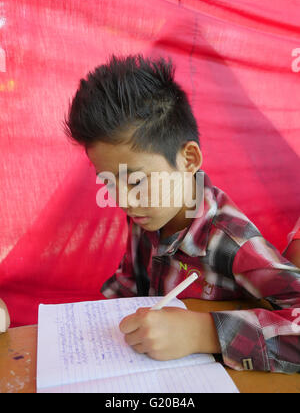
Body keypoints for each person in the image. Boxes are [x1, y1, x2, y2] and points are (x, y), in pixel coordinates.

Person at [64, 54, 300, 373]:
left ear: (189, 159)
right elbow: (128, 288)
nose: (123, 200)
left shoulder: (232, 241)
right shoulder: (148, 213)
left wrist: (202, 333)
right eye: (108, 182)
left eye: (135, 180)